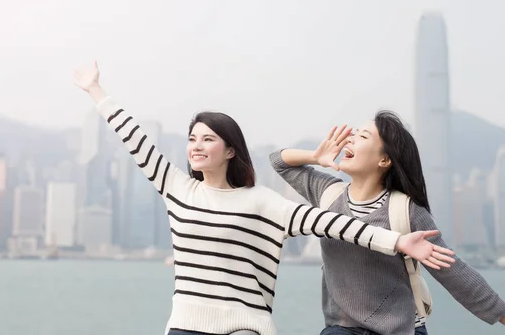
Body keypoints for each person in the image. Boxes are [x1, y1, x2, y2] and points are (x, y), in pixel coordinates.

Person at [74, 63, 455, 335]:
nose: (196, 146)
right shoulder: (178, 190)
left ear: (230, 151)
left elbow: (336, 225)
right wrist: (96, 91)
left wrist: (398, 241)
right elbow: (135, 141)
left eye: (208, 138)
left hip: (247, 329)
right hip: (185, 326)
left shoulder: (263, 203)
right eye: (192, 138)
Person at [269, 112, 505, 335]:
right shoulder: (328, 193)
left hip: (401, 328)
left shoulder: (406, 211)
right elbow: (279, 161)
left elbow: (453, 272)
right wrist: (315, 157)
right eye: (355, 133)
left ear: (384, 159)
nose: (350, 139)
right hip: (342, 328)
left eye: (362, 136)